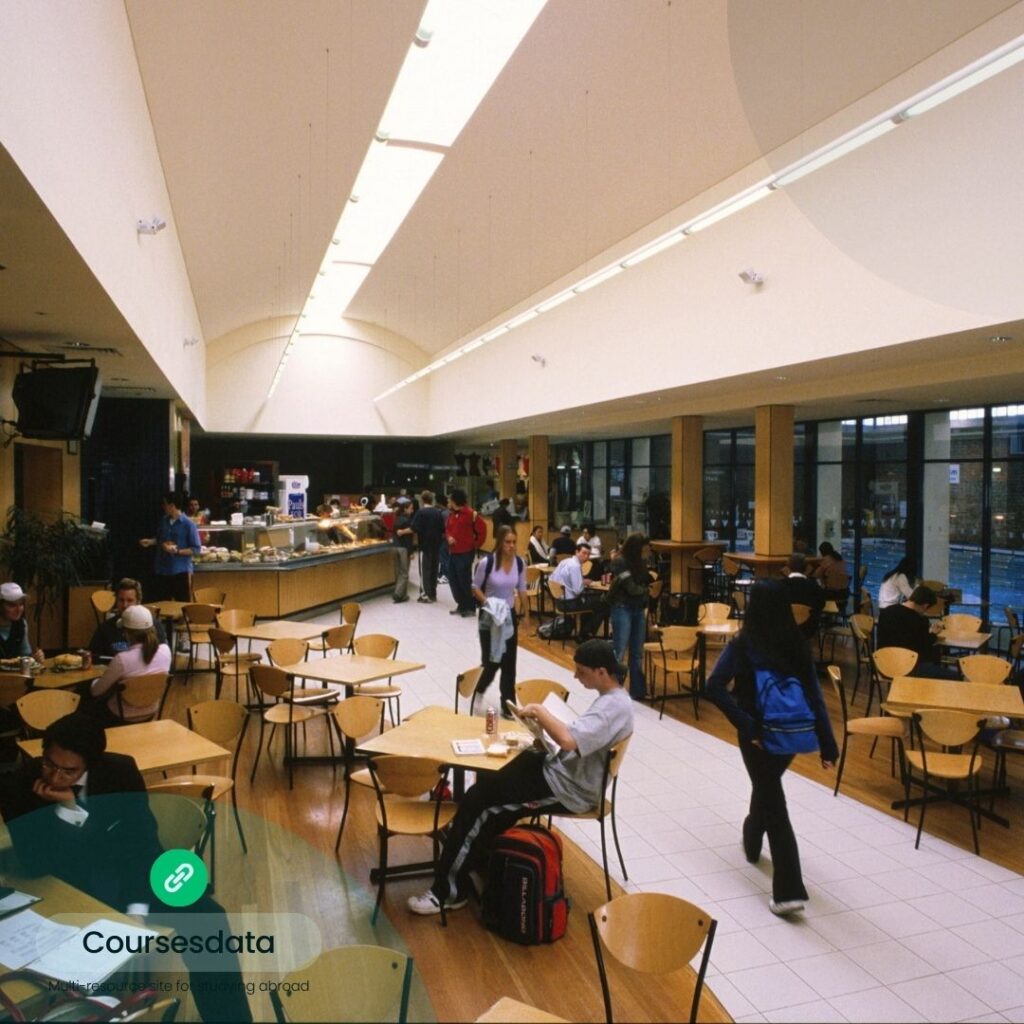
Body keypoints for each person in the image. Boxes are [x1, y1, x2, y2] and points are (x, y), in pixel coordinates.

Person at [0, 714, 252, 1022]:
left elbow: (141, 844)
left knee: (209, 919)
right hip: (72, 886)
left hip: (134, 875)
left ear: (91, 763)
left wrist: (137, 908)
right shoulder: (18, 787)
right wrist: (68, 812)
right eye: (49, 764)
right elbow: (35, 864)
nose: (55, 777)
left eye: (69, 770)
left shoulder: (119, 771)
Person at [407, 639, 633, 915]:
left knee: (480, 801)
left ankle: (447, 892)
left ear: (601, 671)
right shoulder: (612, 700)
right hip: (562, 772)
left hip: (569, 789)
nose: (576, 676)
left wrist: (539, 711)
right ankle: (477, 855)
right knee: (492, 774)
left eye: (581, 672)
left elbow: (569, 740)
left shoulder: (615, 708)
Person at [705, 580, 838, 917]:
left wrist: (747, 725)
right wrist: (827, 743)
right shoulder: (797, 643)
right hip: (791, 734)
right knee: (768, 789)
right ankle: (751, 841)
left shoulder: (744, 643)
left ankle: (789, 891)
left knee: (773, 801)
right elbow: (815, 697)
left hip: (757, 736)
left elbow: (714, 686)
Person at [471, 524, 528, 711]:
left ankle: (508, 703)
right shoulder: (487, 563)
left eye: (514, 542)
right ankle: (478, 690)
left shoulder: (519, 564)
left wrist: (526, 614)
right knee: (491, 661)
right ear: (500, 542)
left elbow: (521, 590)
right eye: (507, 542)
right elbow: (475, 587)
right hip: (490, 616)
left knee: (509, 663)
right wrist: (487, 602)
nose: (511, 546)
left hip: (508, 616)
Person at [90, 605, 172, 724]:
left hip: (120, 715)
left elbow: (96, 691)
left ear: (126, 634)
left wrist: (94, 681)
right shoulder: (166, 651)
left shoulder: (122, 659)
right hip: (151, 710)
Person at [607, 533, 653, 701]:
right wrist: (647, 590)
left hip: (637, 609)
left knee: (637, 652)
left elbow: (644, 582)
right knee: (619, 650)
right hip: (622, 608)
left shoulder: (640, 562)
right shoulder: (619, 561)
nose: (648, 551)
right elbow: (632, 588)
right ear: (637, 548)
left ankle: (637, 691)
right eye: (645, 548)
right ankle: (614, 691)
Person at [877, 584, 957, 677]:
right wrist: (933, 634)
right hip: (908, 668)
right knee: (955, 676)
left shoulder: (886, 612)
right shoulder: (919, 620)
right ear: (925, 606)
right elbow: (922, 645)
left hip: (884, 666)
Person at [139, 493, 202, 602]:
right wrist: (150, 542)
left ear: (172, 505)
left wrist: (177, 551)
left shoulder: (188, 524)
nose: (163, 507)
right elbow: (160, 539)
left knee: (182, 606)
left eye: (165, 504)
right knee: (163, 604)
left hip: (180, 571)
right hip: (162, 570)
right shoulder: (164, 521)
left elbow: (196, 549)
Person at [88, 578, 166, 659]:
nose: (125, 605)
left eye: (130, 600)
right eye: (121, 600)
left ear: (138, 602)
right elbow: (93, 657)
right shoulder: (105, 628)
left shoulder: (153, 626)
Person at [551, 541, 607, 640]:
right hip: (569, 603)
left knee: (590, 601)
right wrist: (583, 583)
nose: (586, 557)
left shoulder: (565, 561)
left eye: (588, 554)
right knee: (602, 604)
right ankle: (586, 633)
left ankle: (583, 632)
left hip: (558, 600)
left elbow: (552, 578)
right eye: (584, 553)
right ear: (576, 552)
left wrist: (581, 581)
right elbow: (577, 591)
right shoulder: (575, 566)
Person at [446, 488, 486, 617]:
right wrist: (448, 538)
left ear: (454, 501)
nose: (448, 502)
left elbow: (482, 530)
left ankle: (470, 606)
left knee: (464, 580)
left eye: (450, 499)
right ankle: (461, 604)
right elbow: (447, 530)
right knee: (453, 579)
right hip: (453, 551)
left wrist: (474, 545)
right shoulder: (451, 515)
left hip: (465, 553)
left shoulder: (471, 514)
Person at [411, 490, 446, 603]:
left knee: (425, 570)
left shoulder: (421, 512)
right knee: (434, 569)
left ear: (422, 499)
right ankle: (433, 593)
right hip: (436, 545)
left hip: (424, 545)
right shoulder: (438, 512)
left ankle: (425, 594)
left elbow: (414, 528)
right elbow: (442, 529)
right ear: (432, 500)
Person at [783, 553, 825, 640]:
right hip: (808, 627)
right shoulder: (814, 586)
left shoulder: (780, 586)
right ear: (806, 568)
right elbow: (821, 604)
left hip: (785, 626)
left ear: (788, 567)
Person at [0, 582, 45, 662]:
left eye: (21, 604)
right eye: (12, 605)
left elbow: (25, 655)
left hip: (14, 674)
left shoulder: (21, 624)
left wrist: (35, 658)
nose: (18, 610)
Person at [812, 541, 850, 612]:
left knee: (813, 594)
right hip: (844, 594)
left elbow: (815, 575)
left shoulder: (825, 560)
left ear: (822, 552)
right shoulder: (840, 559)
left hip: (831, 594)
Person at [391, 495, 414, 603]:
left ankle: (403, 595)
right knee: (404, 572)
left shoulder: (397, 519)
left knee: (398, 571)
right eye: (410, 508)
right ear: (405, 509)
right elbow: (409, 539)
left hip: (395, 546)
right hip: (404, 548)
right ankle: (398, 594)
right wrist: (411, 551)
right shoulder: (407, 521)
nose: (412, 510)